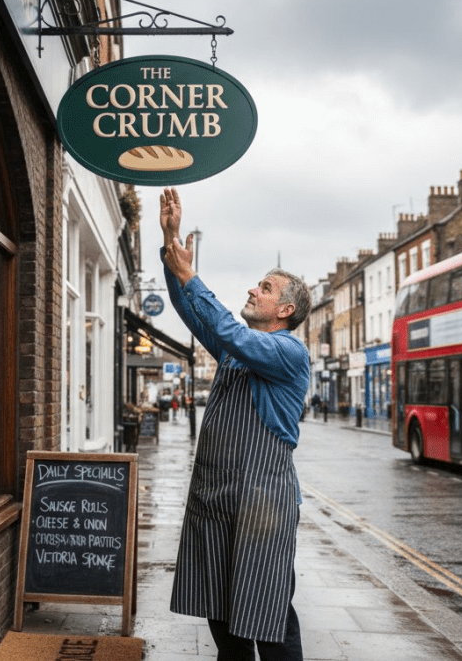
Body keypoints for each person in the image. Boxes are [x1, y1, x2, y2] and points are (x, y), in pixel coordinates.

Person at [159, 187, 311, 661]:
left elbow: (225, 328)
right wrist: (172, 245)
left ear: (284, 310)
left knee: (268, 618)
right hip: (217, 500)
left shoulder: (289, 352)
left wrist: (192, 273)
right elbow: (193, 313)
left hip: (262, 509)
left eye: (264, 288)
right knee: (221, 618)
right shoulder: (236, 347)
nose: (253, 288)